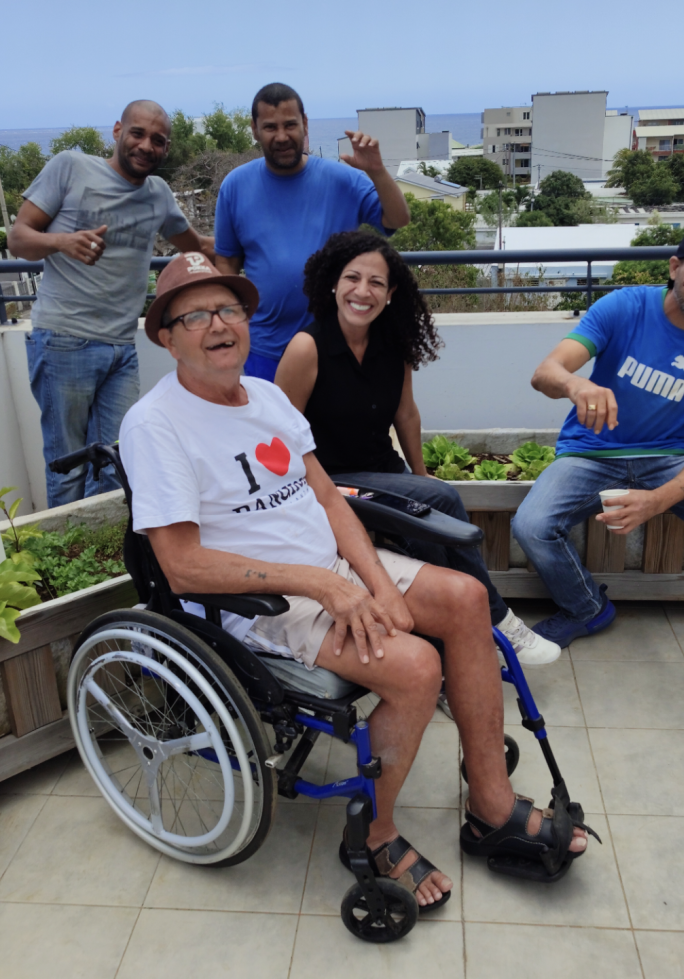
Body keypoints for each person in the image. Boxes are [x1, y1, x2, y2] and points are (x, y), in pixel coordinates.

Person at [119, 253, 590, 910]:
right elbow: (181, 566)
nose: (217, 324)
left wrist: (374, 583)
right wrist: (321, 585)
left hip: (329, 569)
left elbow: (332, 501)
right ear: (166, 336)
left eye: (227, 308)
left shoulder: (267, 397)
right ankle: (373, 834)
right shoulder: (155, 424)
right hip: (261, 602)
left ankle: (488, 805)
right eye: (193, 314)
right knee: (416, 665)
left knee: (465, 598)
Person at [274, 231, 561, 676]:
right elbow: (279, 437)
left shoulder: (393, 346)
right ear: (333, 283)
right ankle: (497, 619)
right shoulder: (306, 348)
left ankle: (452, 659)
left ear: (390, 295)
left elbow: (406, 414)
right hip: (330, 481)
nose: (362, 291)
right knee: (441, 503)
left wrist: (421, 474)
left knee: (431, 514)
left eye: (376, 283)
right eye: (352, 278)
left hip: (382, 474)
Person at [512, 225, 684, 700]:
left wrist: (658, 500)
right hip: (591, 451)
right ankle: (586, 608)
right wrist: (578, 386)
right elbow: (546, 372)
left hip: (674, 458)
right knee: (532, 524)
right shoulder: (626, 307)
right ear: (675, 269)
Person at [8, 99, 214, 508]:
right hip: (64, 342)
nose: (146, 145)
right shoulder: (71, 166)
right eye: (137, 133)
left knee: (117, 463)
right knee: (68, 468)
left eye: (158, 140)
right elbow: (18, 238)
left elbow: (199, 248)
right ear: (118, 131)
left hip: (122, 350)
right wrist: (62, 241)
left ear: (166, 149)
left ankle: (106, 563)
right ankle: (68, 565)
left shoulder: (157, 194)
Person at [213, 82, 410, 382]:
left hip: (333, 344)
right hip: (264, 348)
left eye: (290, 124)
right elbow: (226, 264)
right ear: (254, 129)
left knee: (331, 430)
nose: (282, 136)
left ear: (305, 123)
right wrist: (231, 325)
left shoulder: (342, 179)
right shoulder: (235, 186)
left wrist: (377, 171)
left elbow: (397, 219)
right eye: (270, 127)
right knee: (272, 430)